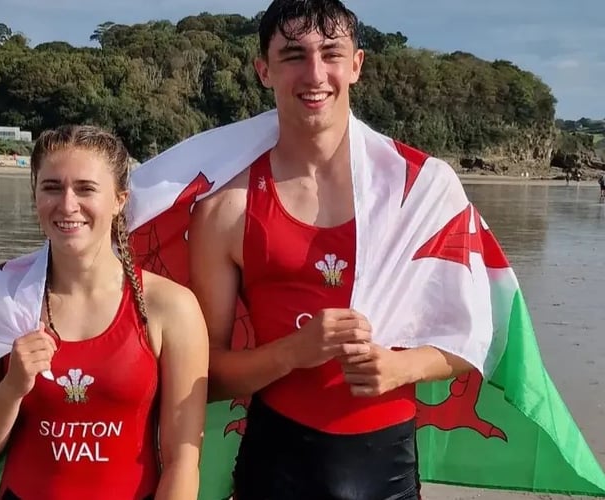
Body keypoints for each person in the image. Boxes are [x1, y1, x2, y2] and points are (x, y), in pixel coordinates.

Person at [188, 1, 474, 498]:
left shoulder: (422, 189)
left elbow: (471, 338)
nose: (315, 73)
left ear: (357, 65)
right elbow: (206, 371)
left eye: (332, 54)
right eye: (294, 55)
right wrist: (292, 353)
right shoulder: (226, 209)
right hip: (275, 464)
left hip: (385, 466)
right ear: (264, 71)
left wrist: (401, 367)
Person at [0, 125, 209, 500]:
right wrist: (12, 388)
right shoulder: (7, 297)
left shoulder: (170, 307)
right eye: (52, 187)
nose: (67, 205)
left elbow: (183, 459)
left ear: (119, 200)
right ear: (35, 195)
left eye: (85, 188)